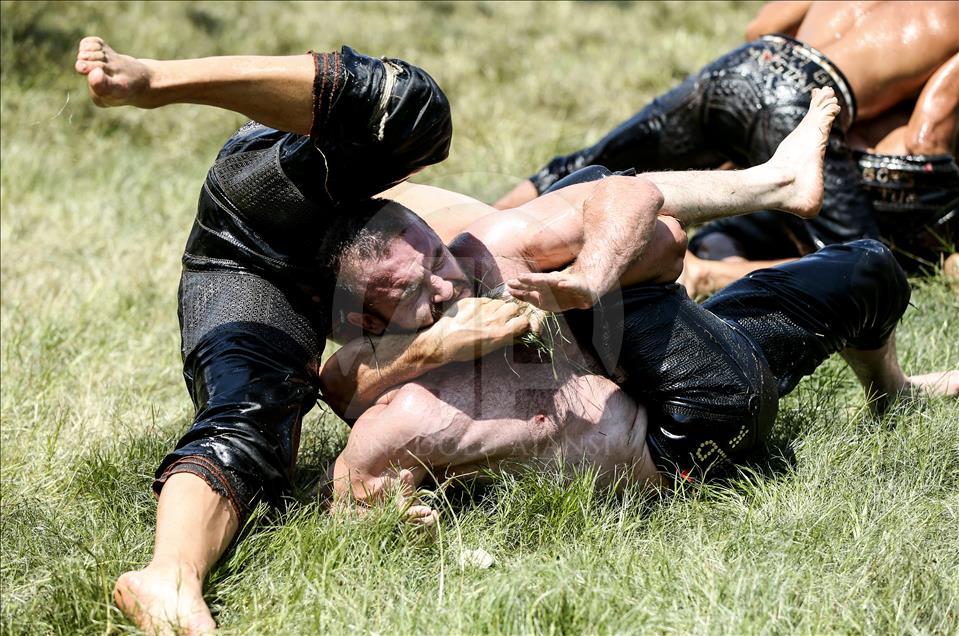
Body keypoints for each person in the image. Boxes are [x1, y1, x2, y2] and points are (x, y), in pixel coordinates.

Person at [78, 40, 851, 634]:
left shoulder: (478, 245)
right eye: (423, 292)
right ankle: (168, 576)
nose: (445, 288)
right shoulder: (308, 186)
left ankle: (773, 184)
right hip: (260, 242)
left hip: (399, 246)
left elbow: (626, 204)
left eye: (440, 278)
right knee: (248, 413)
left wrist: (588, 282)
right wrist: (433, 347)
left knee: (562, 207)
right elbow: (339, 385)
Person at [494, 1, 959, 282]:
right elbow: (925, 136)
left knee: (589, 161)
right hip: (805, 97)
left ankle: (478, 237)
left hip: (743, 64)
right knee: (866, 269)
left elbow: (760, 28)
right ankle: (709, 274)